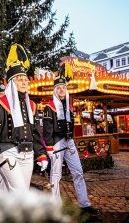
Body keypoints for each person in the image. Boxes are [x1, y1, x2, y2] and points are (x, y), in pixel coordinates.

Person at [0, 43, 48, 192]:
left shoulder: (32, 105)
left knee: (18, 193)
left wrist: (41, 154)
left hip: (28, 154)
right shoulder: (2, 104)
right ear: (12, 82)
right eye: (19, 79)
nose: (24, 82)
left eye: (25, 79)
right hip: (8, 152)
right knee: (19, 194)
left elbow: (36, 133)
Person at [42, 62, 99, 215]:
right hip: (56, 143)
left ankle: (84, 203)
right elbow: (47, 130)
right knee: (56, 175)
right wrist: (49, 148)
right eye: (59, 88)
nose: (61, 90)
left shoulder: (69, 107)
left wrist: (71, 140)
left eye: (64, 88)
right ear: (55, 90)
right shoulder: (50, 107)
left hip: (69, 141)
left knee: (78, 172)